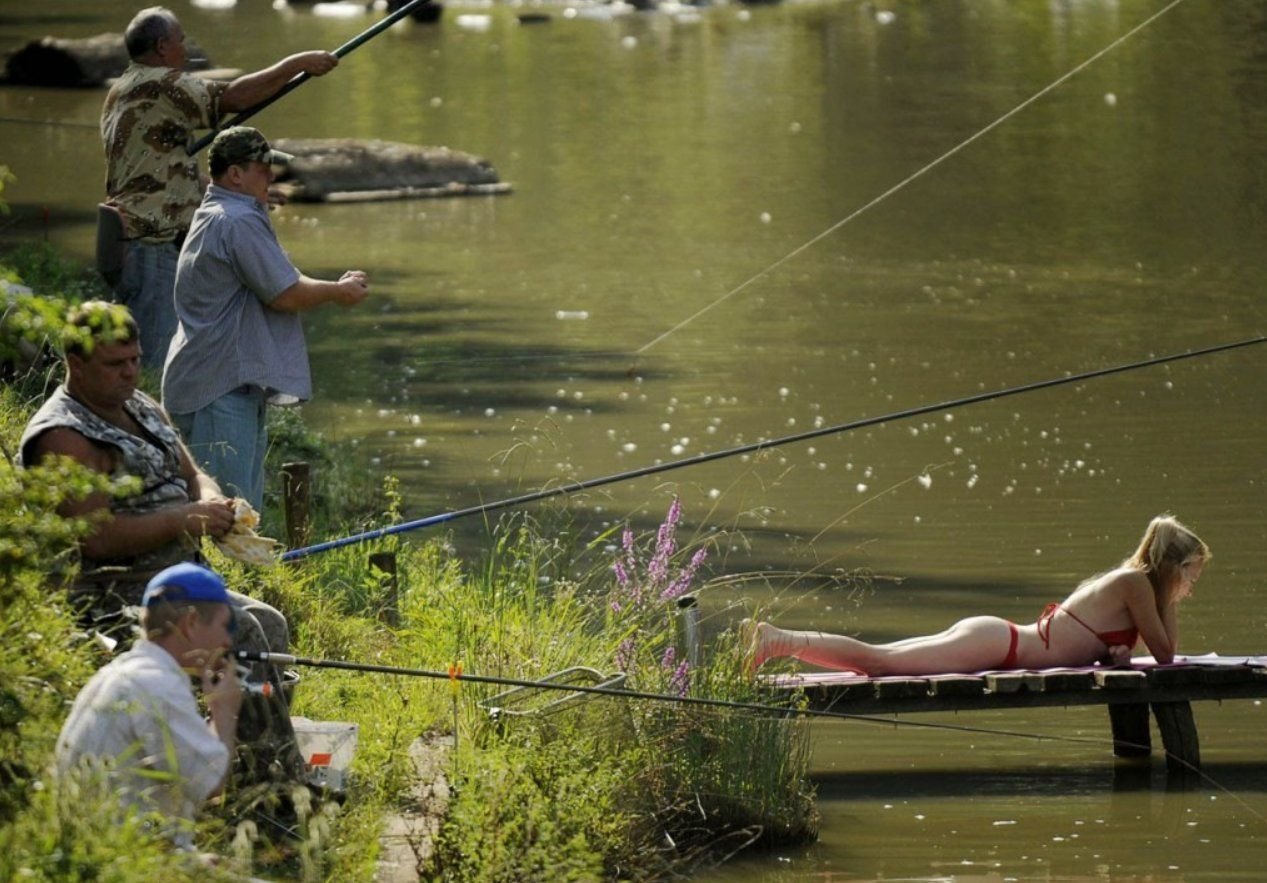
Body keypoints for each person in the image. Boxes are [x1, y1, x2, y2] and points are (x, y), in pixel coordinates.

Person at [101, 6, 338, 370]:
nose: (186, 49)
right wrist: (297, 63)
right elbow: (235, 97)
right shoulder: (160, 83)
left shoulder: (120, 91)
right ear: (163, 46)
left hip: (129, 240)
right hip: (151, 244)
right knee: (153, 361)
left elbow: (161, 169)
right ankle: (151, 424)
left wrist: (238, 191)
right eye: (181, 41)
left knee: (150, 351)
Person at [162, 125, 370, 511]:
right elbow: (285, 294)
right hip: (219, 389)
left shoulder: (220, 211)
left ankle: (239, 573)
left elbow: (279, 281)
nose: (271, 176)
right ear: (235, 174)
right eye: (262, 169)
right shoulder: (238, 221)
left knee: (232, 513)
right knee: (229, 517)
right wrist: (338, 291)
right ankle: (230, 574)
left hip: (213, 382)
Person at [745, 515, 1210, 675]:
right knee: (878, 662)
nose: (1192, 586)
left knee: (880, 657)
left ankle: (778, 638)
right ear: (1173, 567)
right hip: (1000, 644)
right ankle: (777, 640)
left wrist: (1114, 656)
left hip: (997, 639)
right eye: (1191, 575)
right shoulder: (1136, 584)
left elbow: (1127, 647)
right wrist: (1169, 594)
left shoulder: (1132, 585)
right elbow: (1167, 656)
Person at [55, 563, 242, 850]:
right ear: (190, 623)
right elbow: (212, 786)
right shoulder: (158, 686)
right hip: (122, 865)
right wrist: (224, 710)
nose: (228, 640)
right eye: (224, 626)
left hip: (97, 854)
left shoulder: (119, 673)